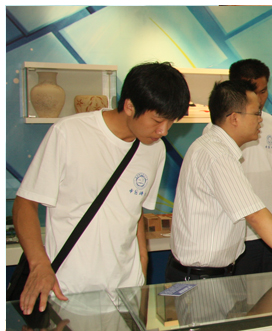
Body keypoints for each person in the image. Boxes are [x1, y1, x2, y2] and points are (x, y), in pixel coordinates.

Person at [13, 62, 190, 315]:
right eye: (158, 120)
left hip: (126, 295)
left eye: (170, 122)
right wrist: (39, 264)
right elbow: (25, 203)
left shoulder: (155, 150)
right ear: (130, 106)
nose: (163, 131)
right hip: (69, 293)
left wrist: (141, 269)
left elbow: (134, 213)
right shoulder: (69, 133)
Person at [167, 80, 272, 282]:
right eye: (256, 113)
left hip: (208, 274)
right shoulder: (218, 156)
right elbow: (255, 214)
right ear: (235, 118)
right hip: (201, 278)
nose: (261, 120)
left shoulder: (210, 146)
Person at [203, 59, 272, 276]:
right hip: (242, 231)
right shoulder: (216, 132)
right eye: (253, 92)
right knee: (242, 294)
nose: (259, 99)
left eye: (263, 91)